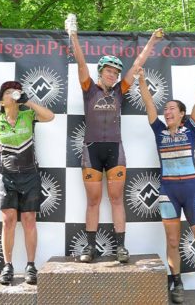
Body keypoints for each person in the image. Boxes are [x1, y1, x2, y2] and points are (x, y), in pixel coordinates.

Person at [68, 21, 163, 263]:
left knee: (117, 200)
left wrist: (152, 40)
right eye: (109, 71)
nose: (113, 75)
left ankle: (121, 248)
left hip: (115, 151)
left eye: (116, 72)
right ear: (100, 71)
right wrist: (73, 35)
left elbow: (138, 64)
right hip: (91, 151)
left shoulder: (120, 90)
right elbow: (80, 63)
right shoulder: (89, 89)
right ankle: (90, 248)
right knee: (93, 201)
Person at [137, 64, 195, 303]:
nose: (166, 111)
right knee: (171, 241)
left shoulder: (190, 128)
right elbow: (148, 103)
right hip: (168, 191)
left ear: (181, 114)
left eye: (171, 109)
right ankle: (177, 283)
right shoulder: (158, 130)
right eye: (165, 109)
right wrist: (142, 80)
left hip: (191, 190)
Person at [0, 81, 54, 285]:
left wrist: (29, 102)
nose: (12, 94)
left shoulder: (28, 115)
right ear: (1, 100)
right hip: (6, 176)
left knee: (29, 220)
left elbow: (50, 117)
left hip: (30, 175)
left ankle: (31, 266)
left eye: (15, 91)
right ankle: (7, 266)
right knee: (8, 220)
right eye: (7, 92)